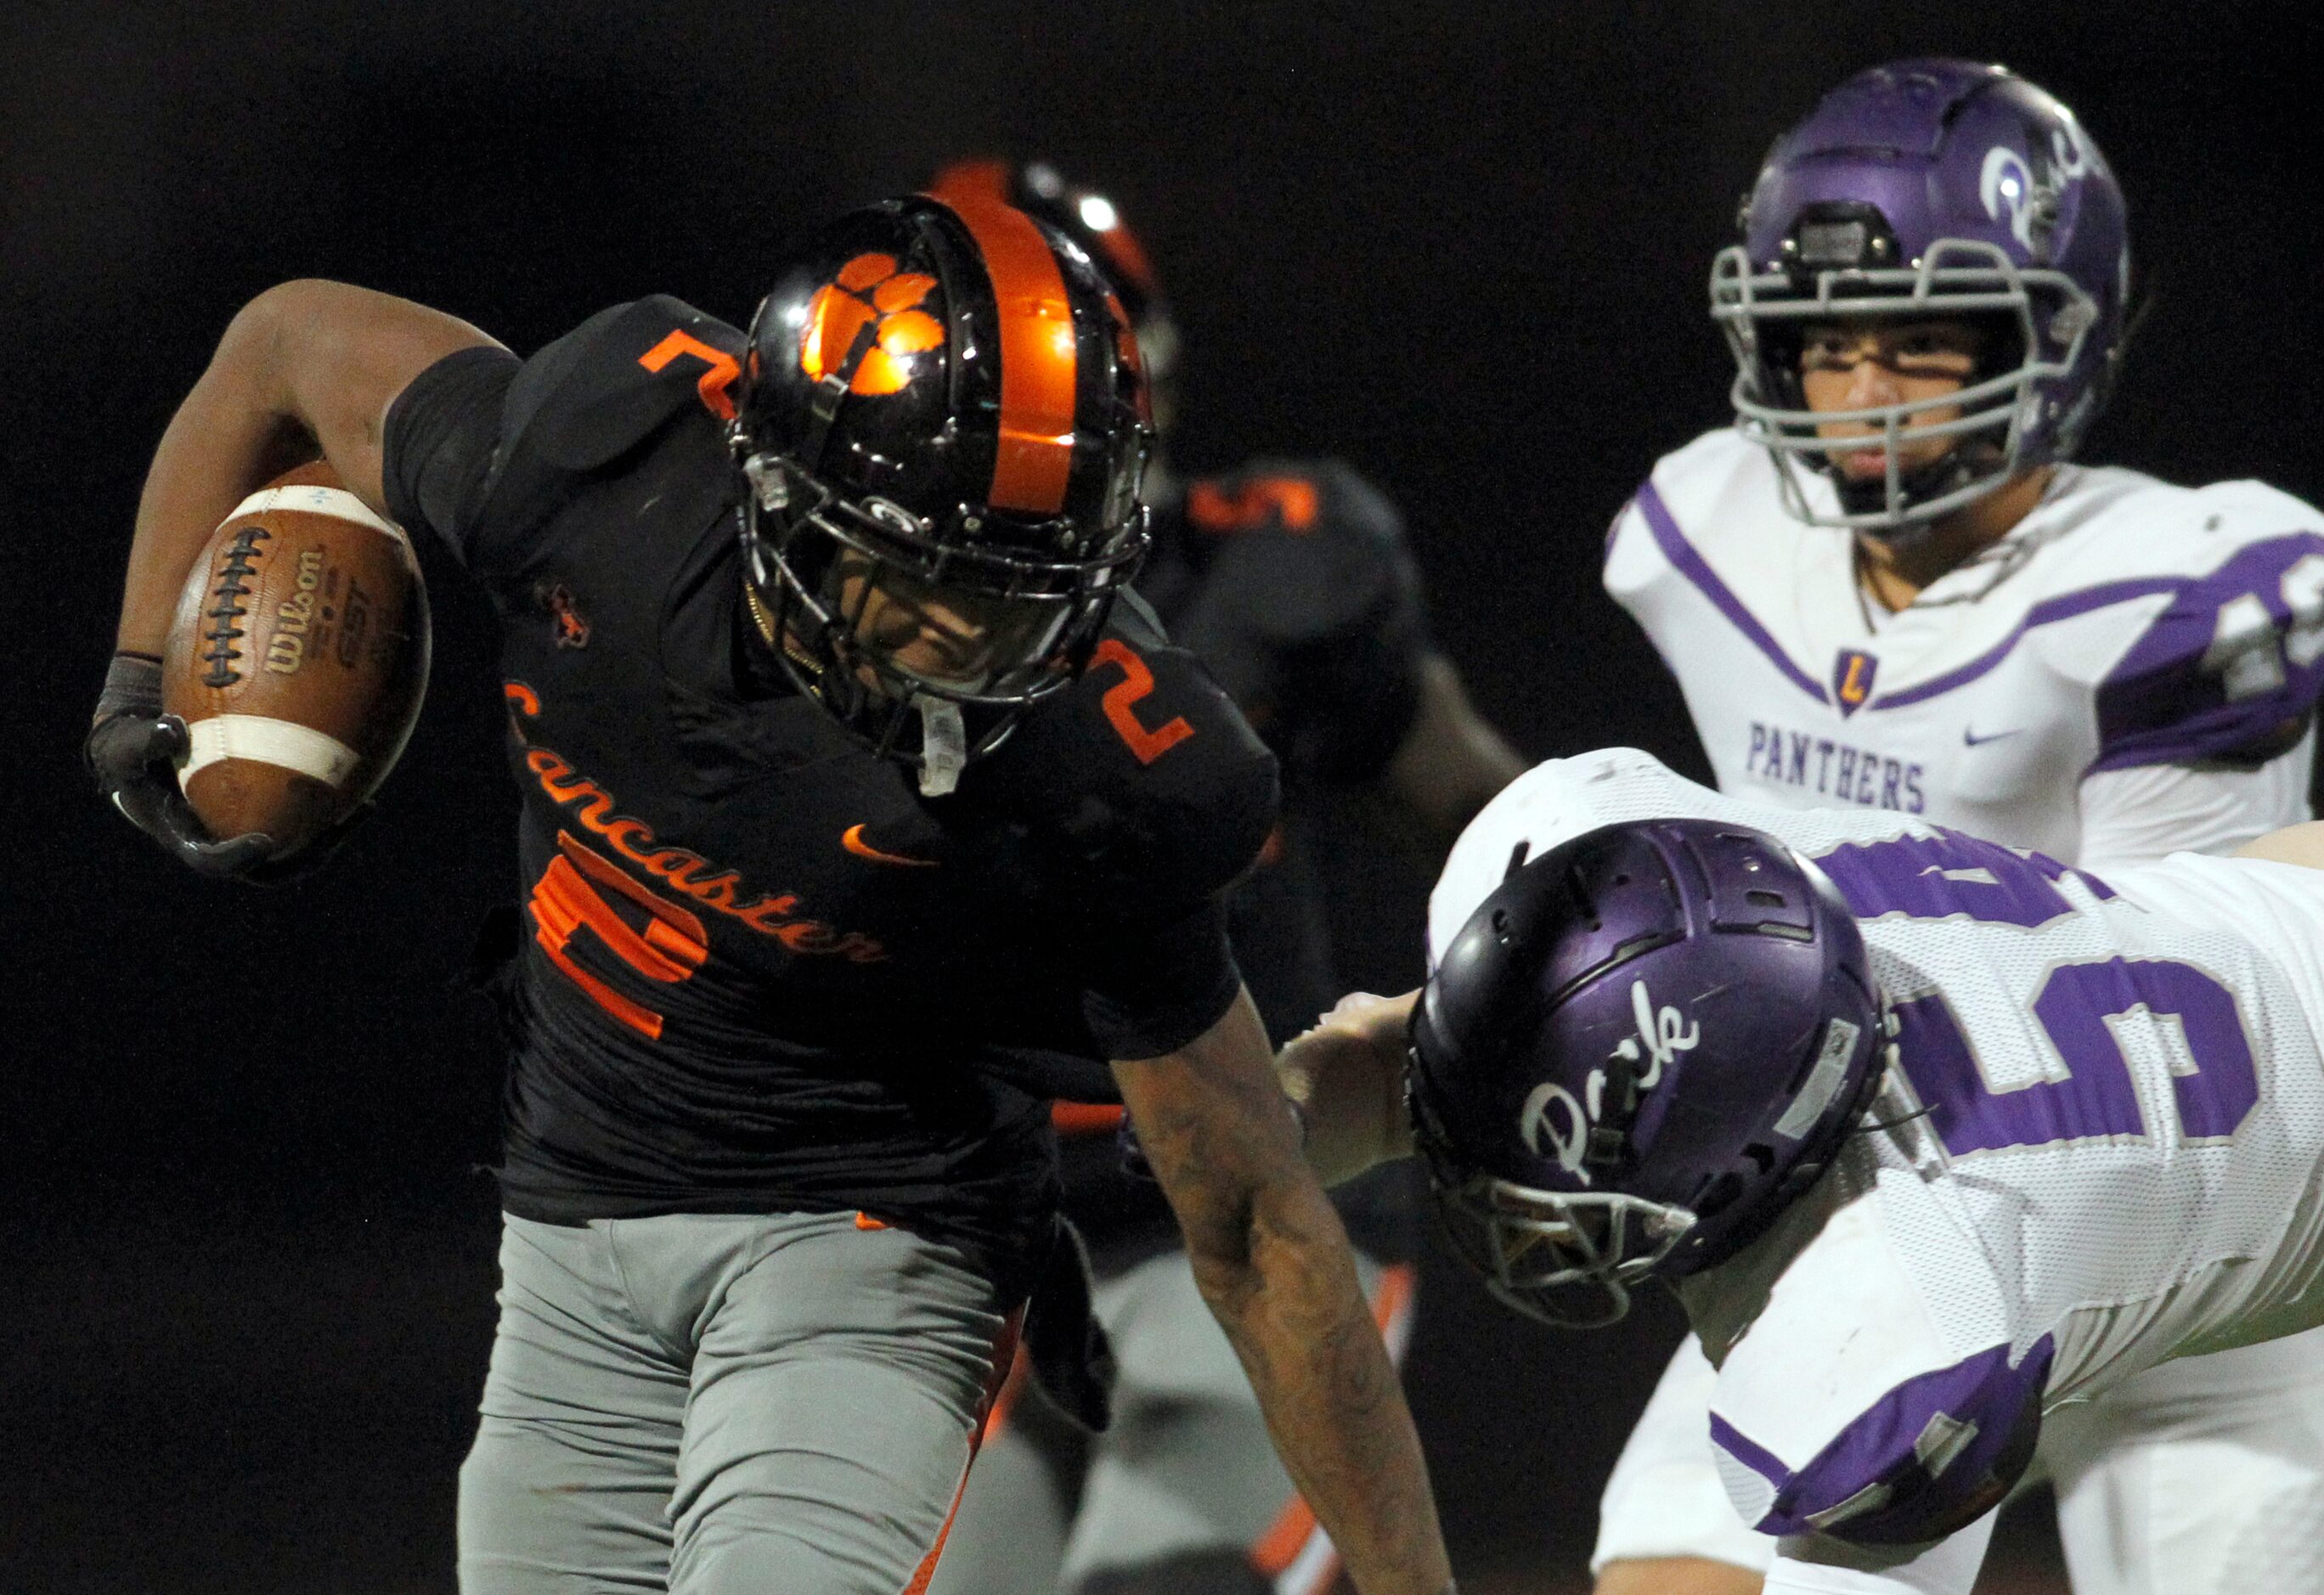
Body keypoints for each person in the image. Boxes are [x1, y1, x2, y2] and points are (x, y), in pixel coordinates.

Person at [84, 193, 1455, 1595]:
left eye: (1026, 591)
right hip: (575, 1239)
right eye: (927, 583)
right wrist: (142, 669)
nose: (982, 647)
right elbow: (284, 339)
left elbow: (1251, 1219)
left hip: (866, 1245)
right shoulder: (588, 473)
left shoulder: (1109, 766)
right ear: (780, 495)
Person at [1595, 58, 2324, 1595]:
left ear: (2055, 332)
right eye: (1825, 342)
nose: (1862, 391)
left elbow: (2166, 944)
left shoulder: (2177, 586)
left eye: (1923, 337)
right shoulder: (1703, 534)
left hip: (2186, 1211)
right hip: (1892, 1185)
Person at [1282, 745, 2324, 1595]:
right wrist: (1254, 1126)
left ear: (1751, 1159)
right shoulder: (1645, 881)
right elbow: (1485, 1024)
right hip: (2263, 913)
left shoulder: (1888, 1287)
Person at [919, 160, 1524, 1595]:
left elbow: (1503, 826)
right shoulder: (819, 614)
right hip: (959, 1236)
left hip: (1237, 1204)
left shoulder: (1277, 578)